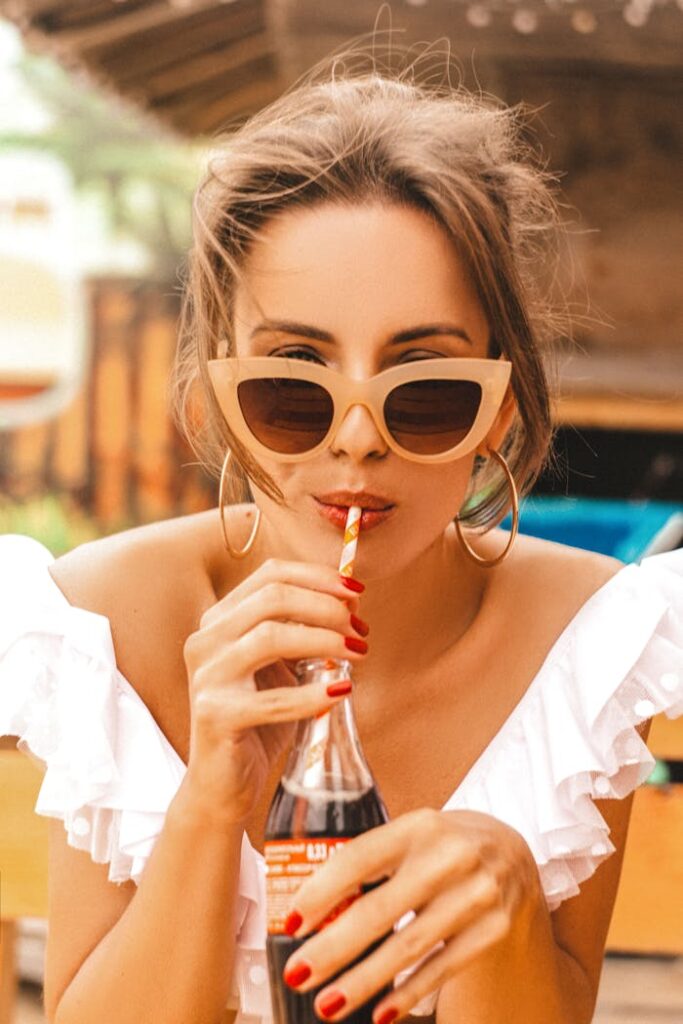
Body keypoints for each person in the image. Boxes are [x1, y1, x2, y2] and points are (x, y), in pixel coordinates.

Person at [1, 46, 682, 1024]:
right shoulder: (107, 625)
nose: (356, 442)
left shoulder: (580, 647)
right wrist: (208, 801)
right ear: (218, 403)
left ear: (496, 410)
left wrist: (508, 893)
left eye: (427, 391)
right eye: (291, 387)